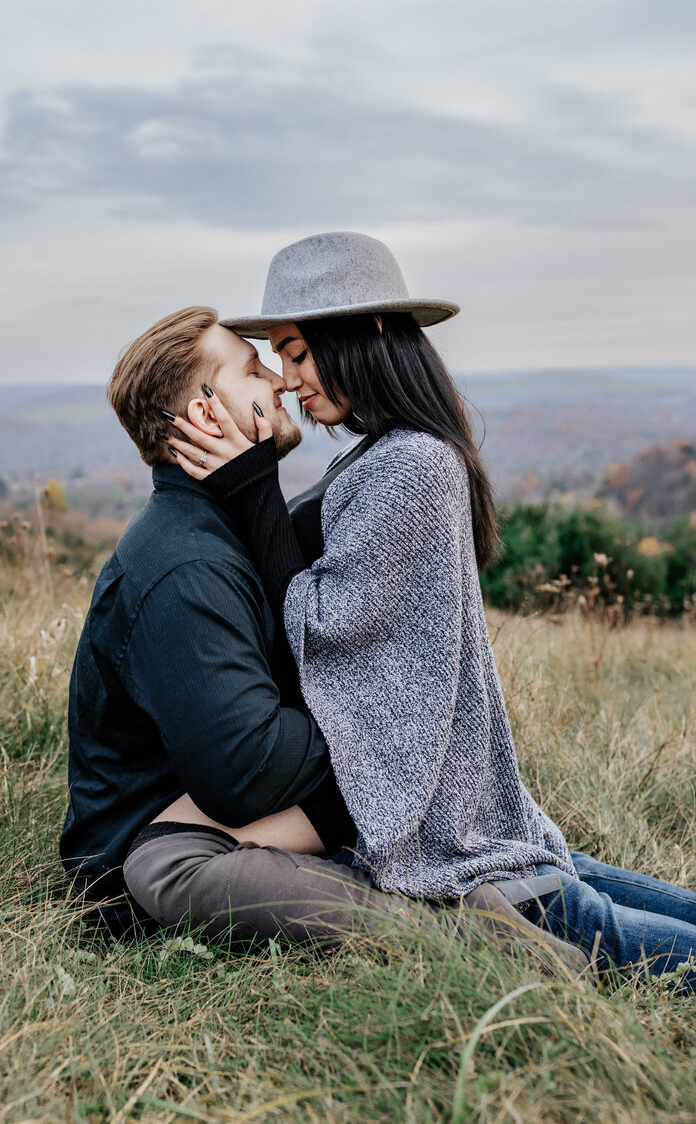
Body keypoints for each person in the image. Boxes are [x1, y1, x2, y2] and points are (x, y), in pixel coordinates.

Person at [135, 231, 696, 990]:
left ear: (364, 334)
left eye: (297, 352)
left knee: (639, 948)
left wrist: (250, 490)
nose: (288, 378)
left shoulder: (411, 465)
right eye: (276, 357)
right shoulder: (384, 454)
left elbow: (326, 630)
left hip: (456, 855)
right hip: (474, 822)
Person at [60, 303, 585, 970]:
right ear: (205, 416)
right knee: (173, 863)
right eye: (255, 369)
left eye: (289, 360)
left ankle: (470, 898)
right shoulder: (187, 568)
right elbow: (250, 772)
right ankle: (462, 937)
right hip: (149, 851)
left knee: (556, 888)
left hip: (233, 821)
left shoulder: (232, 526)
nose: (281, 382)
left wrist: (394, 746)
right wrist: (383, 753)